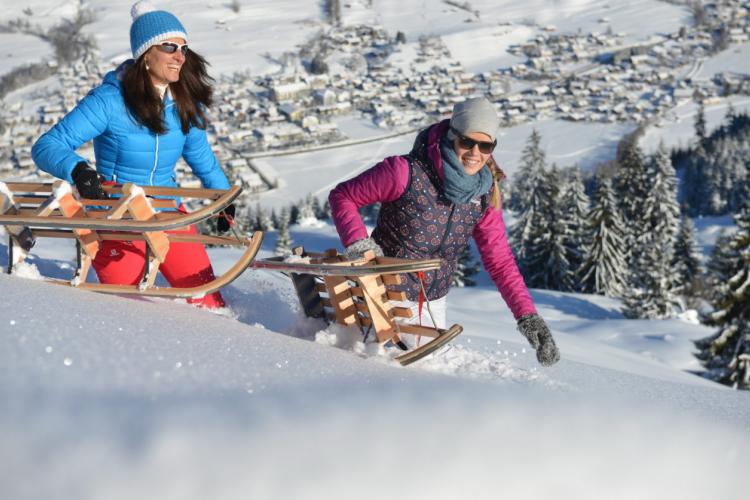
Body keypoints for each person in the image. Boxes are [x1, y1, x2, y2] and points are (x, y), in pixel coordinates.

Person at [31, 1, 234, 309]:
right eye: (169, 47)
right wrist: (79, 170)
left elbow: (200, 155)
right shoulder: (110, 101)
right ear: (145, 54)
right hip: (118, 219)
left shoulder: (183, 101)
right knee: (126, 308)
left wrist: (223, 198)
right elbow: (47, 146)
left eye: (184, 48)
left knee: (207, 299)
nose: (180, 56)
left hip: (167, 212)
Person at [329, 97, 560, 366]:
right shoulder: (405, 172)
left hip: (434, 303)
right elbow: (342, 196)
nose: (475, 152)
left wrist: (527, 316)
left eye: (485, 145)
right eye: (467, 142)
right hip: (382, 296)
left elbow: (500, 260)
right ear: (452, 136)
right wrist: (360, 244)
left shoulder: (484, 193)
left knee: (426, 376)